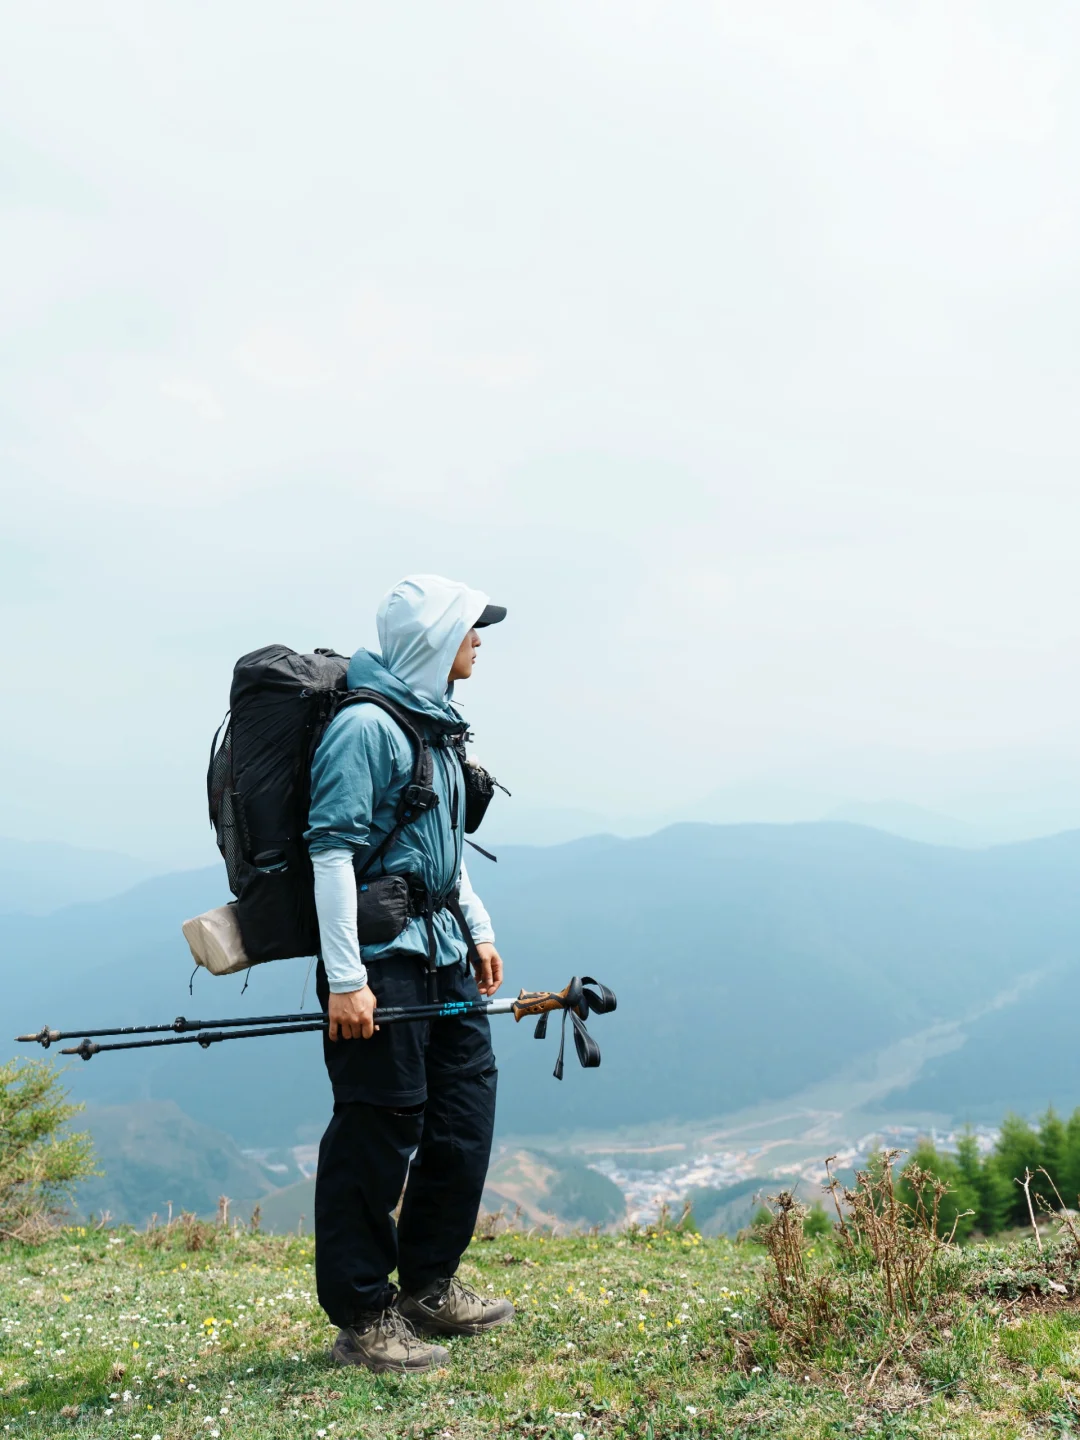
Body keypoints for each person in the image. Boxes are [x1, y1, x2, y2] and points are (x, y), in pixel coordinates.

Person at [306, 574, 514, 1373]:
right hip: (380, 963)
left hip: (445, 951)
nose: (480, 640)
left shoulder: (434, 728)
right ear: (435, 637)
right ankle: (363, 1315)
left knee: (465, 1112)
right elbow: (331, 853)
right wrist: (346, 977)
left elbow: (442, 848)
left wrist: (480, 929)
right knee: (377, 1127)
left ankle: (429, 1284)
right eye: (470, 627)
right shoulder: (366, 729)